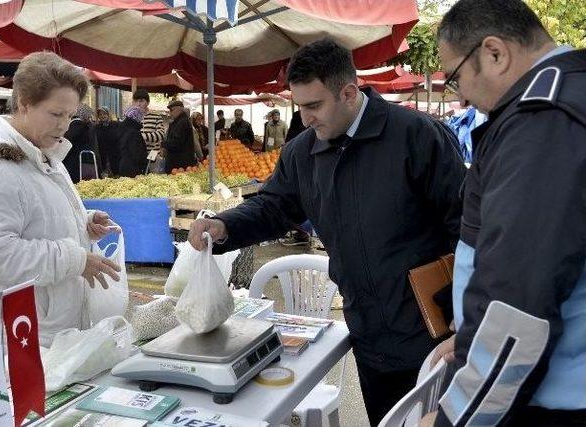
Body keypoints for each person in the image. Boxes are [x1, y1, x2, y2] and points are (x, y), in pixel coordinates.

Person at [188, 37, 466, 425]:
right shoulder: (302, 153)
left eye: (314, 106)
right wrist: (224, 225)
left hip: (432, 335)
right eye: (299, 105)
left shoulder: (416, 135)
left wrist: (471, 312)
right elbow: (274, 206)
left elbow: (468, 223)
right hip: (368, 334)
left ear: (349, 93)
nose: (305, 118)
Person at [418, 1, 586, 426]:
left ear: (494, 53)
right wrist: (471, 340)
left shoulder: (543, 121)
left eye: (455, 77)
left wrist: (454, 417)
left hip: (551, 398)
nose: (461, 96)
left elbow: (518, 301)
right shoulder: (564, 95)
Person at [0, 52, 121, 347]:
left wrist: (82, 223)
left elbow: (34, 214)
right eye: (56, 114)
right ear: (24, 103)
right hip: (21, 329)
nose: (64, 125)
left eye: (70, 115)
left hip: (43, 322)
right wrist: (75, 259)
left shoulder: (42, 149)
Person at [63, 103, 99, 183]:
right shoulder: (88, 126)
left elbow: (67, 141)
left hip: (74, 162)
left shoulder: (75, 125)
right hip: (87, 161)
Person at [164, 99, 196, 173]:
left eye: (172, 110)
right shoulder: (179, 121)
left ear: (180, 109)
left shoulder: (182, 122)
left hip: (179, 164)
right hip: (179, 164)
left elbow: (176, 143)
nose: (170, 113)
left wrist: (163, 144)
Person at [116, 106, 147, 177]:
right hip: (133, 168)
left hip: (123, 165)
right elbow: (136, 153)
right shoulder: (134, 133)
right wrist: (146, 159)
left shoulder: (122, 129)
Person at [94, 106, 119, 176]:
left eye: (104, 114)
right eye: (100, 114)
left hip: (114, 155)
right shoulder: (96, 127)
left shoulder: (115, 125)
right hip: (102, 156)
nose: (102, 116)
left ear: (108, 114)